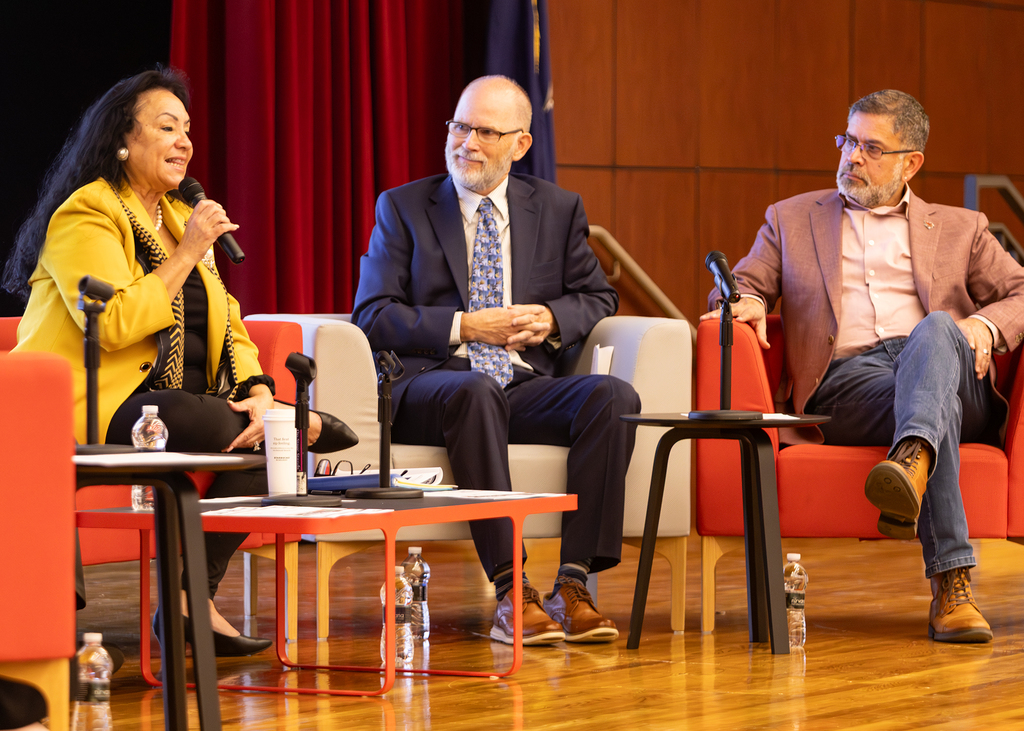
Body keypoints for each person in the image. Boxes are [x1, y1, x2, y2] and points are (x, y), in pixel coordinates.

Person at [1, 67, 355, 656]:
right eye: (168, 127)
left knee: (263, 450)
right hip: (92, 408)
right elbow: (110, 324)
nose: (185, 141)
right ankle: (295, 422)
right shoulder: (84, 215)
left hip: (180, 407)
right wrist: (190, 251)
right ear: (123, 140)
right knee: (208, 421)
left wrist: (260, 389)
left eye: (188, 129)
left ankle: (191, 600)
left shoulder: (172, 218)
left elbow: (232, 323)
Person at [701, 89, 1024, 643]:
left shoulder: (962, 227)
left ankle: (912, 463)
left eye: (872, 147)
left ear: (911, 162)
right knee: (932, 401)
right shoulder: (790, 219)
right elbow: (743, 287)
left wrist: (984, 327)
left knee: (939, 328)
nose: (852, 156)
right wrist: (745, 302)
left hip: (949, 370)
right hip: (850, 386)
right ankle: (950, 580)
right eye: (848, 140)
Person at [352, 76, 640, 646]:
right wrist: (464, 326)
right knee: (474, 390)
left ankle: (573, 586)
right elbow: (372, 313)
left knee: (614, 397)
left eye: (486, 131)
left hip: (520, 382)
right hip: (433, 386)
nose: (468, 143)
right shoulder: (404, 207)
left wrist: (552, 319)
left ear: (521, 144)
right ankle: (512, 592)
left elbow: (596, 297)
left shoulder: (557, 209)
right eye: (460, 127)